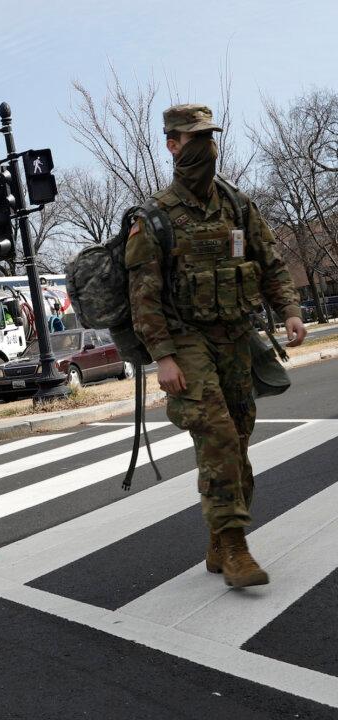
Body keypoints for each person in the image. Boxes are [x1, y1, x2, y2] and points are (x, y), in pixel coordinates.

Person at [125, 103, 307, 588]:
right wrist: (162, 357)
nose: (205, 146)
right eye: (193, 138)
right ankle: (234, 546)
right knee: (218, 435)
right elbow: (144, 296)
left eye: (209, 136)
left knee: (240, 436)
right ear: (172, 145)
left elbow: (268, 259)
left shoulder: (237, 204)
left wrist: (289, 308)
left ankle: (217, 537)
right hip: (186, 339)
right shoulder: (155, 217)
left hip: (235, 336)